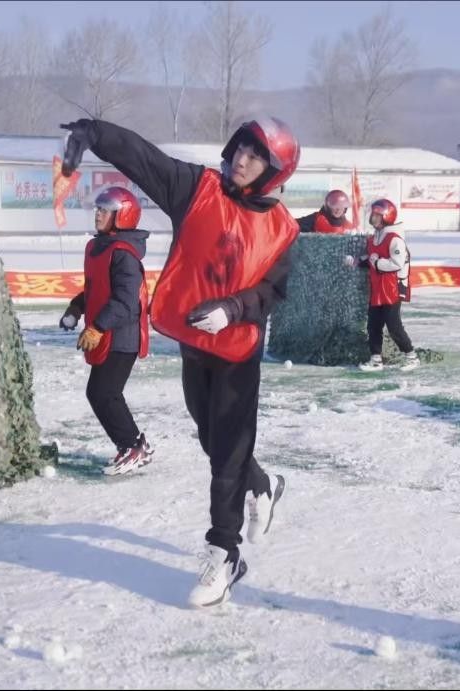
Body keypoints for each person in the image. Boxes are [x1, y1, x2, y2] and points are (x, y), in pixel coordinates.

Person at [60, 115, 297, 609]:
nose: (241, 159)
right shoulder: (198, 190)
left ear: (273, 171)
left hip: (237, 350)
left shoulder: (281, 229)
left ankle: (224, 553)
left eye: (255, 156)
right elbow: (146, 160)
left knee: (227, 452)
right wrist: (96, 133)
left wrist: (231, 309)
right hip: (195, 344)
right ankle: (264, 484)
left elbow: (272, 290)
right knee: (213, 441)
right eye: (239, 149)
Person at [60, 186, 153, 476]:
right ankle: (136, 444)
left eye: (105, 210)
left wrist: (98, 326)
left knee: (104, 392)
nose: (98, 214)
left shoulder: (124, 254)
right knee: (103, 392)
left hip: (121, 335)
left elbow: (125, 302)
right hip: (106, 333)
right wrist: (76, 309)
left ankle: (131, 447)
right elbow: (96, 289)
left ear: (122, 216)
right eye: (98, 209)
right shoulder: (98, 247)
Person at [345, 198, 418, 372]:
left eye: (377, 215)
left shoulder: (394, 239)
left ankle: (411, 355)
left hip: (390, 289)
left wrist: (378, 263)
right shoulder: (374, 238)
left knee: (394, 326)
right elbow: (371, 258)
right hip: (377, 289)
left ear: (386, 216)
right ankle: (375, 358)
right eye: (373, 214)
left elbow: (397, 263)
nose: (373, 218)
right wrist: (356, 262)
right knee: (373, 325)